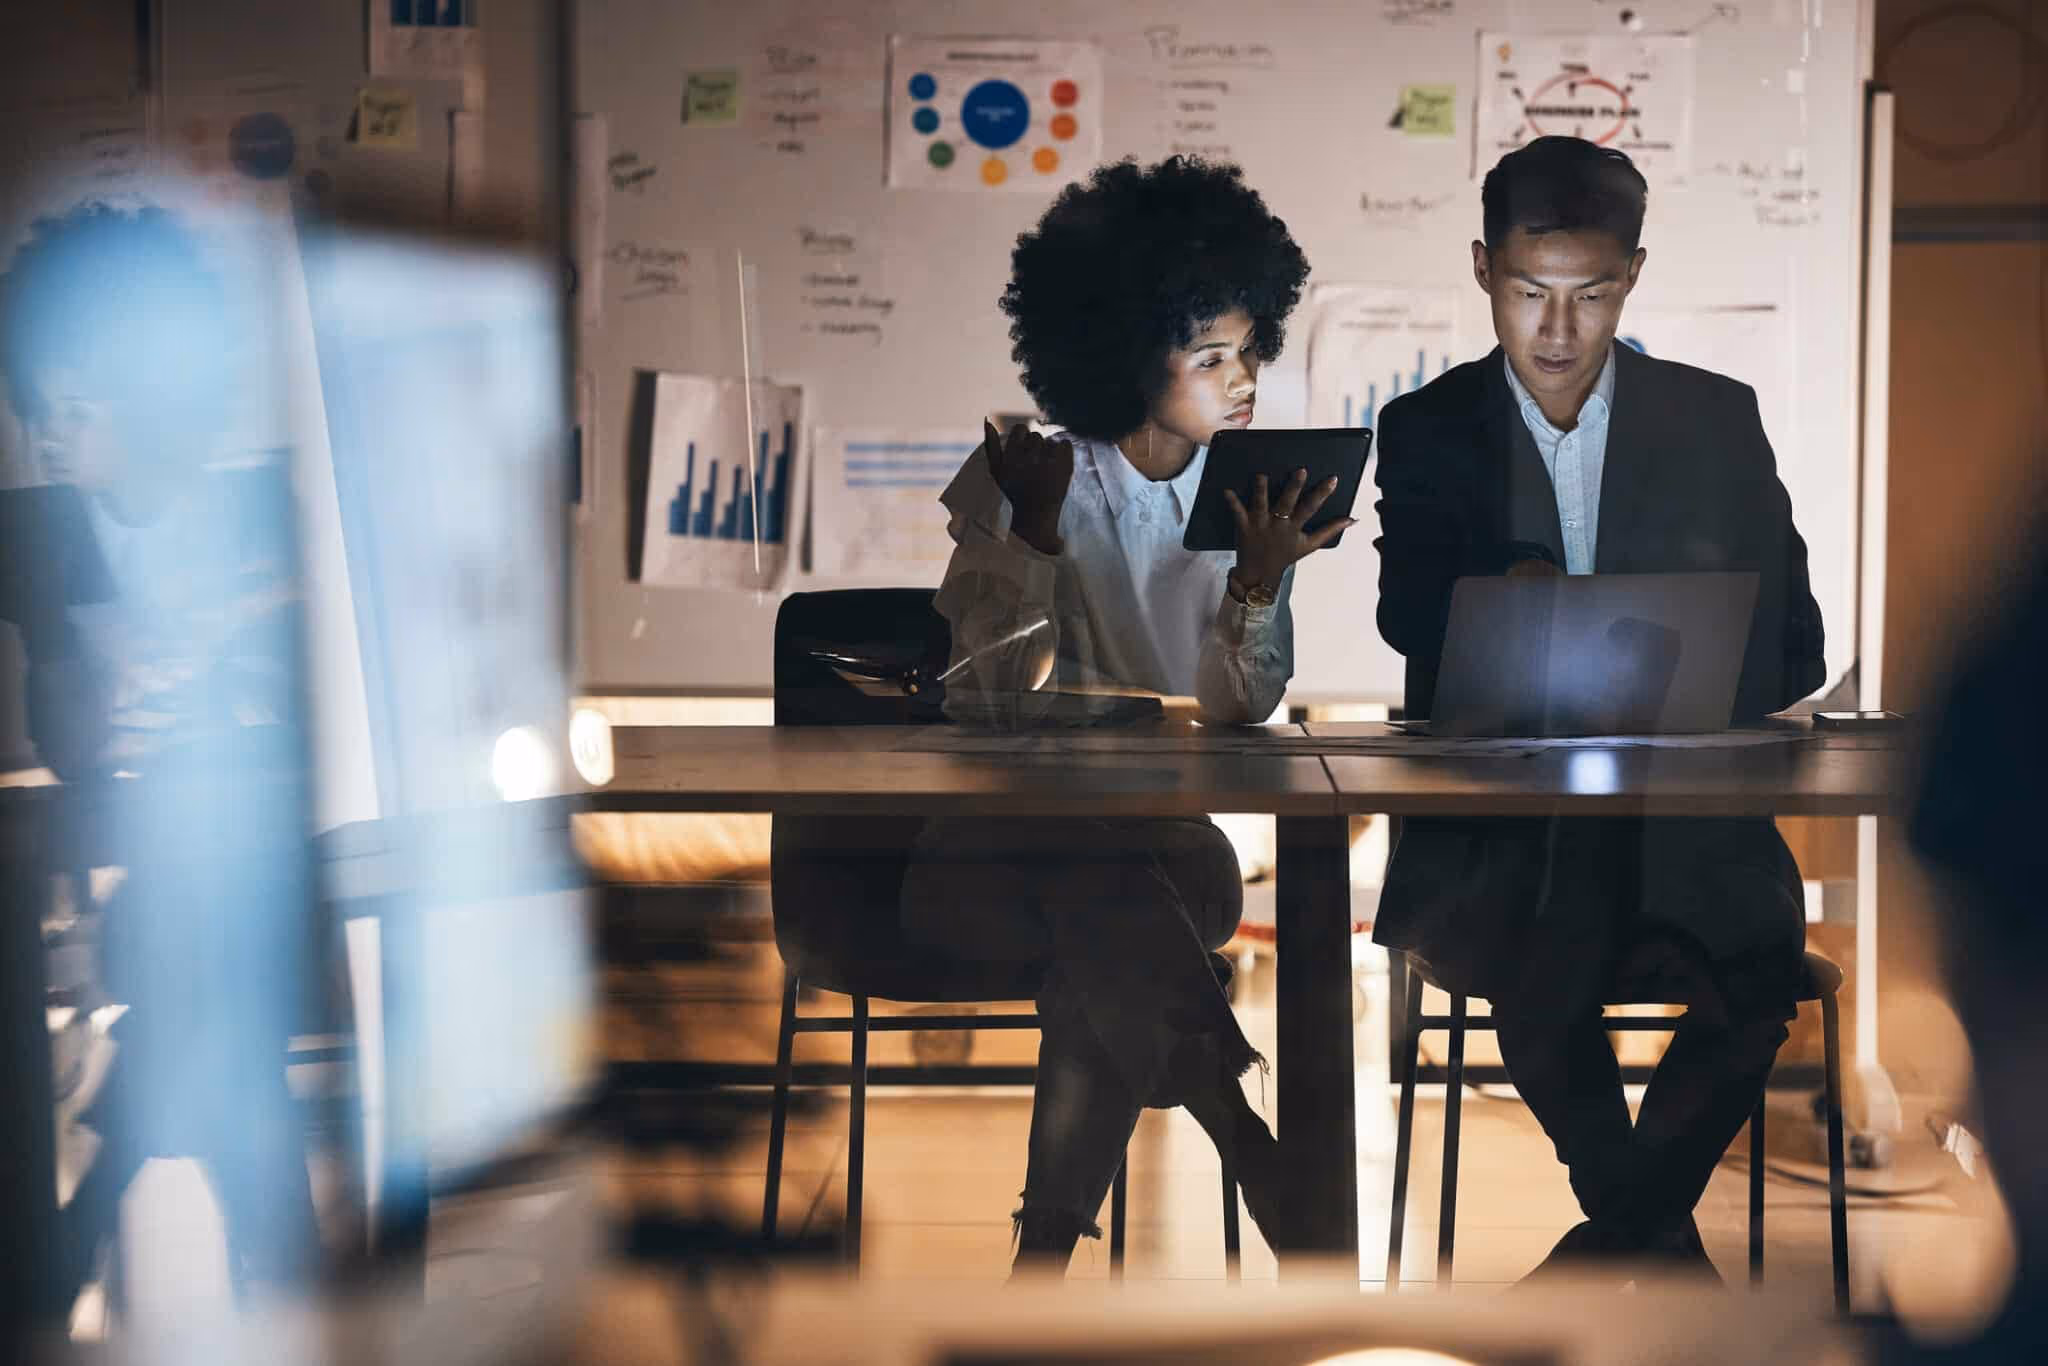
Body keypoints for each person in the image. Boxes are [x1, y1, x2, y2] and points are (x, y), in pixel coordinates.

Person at [1370, 137, 1827, 1278]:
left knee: (1758, 967)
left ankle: (1614, 1234)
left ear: (1630, 275)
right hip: (1500, 829)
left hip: (1681, 819)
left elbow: (1795, 642)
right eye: (1528, 294)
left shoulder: (1712, 419)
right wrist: (1498, 611)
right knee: (1542, 967)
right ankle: (1645, 1237)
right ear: (1483, 269)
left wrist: (1669, 647)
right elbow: (1405, 621)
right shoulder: (1426, 429)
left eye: (1590, 295)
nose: (1557, 331)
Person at [901, 156, 1344, 1273]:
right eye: (1207, 356)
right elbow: (992, 707)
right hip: (983, 855)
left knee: (1100, 933)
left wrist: (1257, 577)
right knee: (1100, 924)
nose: (1241, 378)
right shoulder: (1024, 471)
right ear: (1121, 357)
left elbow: (1239, 709)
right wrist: (1033, 537)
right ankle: (1241, 1141)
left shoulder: (1248, 495)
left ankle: (1046, 1265)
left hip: (1161, 850)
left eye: (1248, 348)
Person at [0, 202, 321, 1306]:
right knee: (225, 1081)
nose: (45, 422)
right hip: (112, 895)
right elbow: (67, 738)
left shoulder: (260, 516)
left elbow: (296, 726)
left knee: (209, 1035)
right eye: (38, 393)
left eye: (77, 394)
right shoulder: (39, 533)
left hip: (238, 890)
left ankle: (69, 1255)